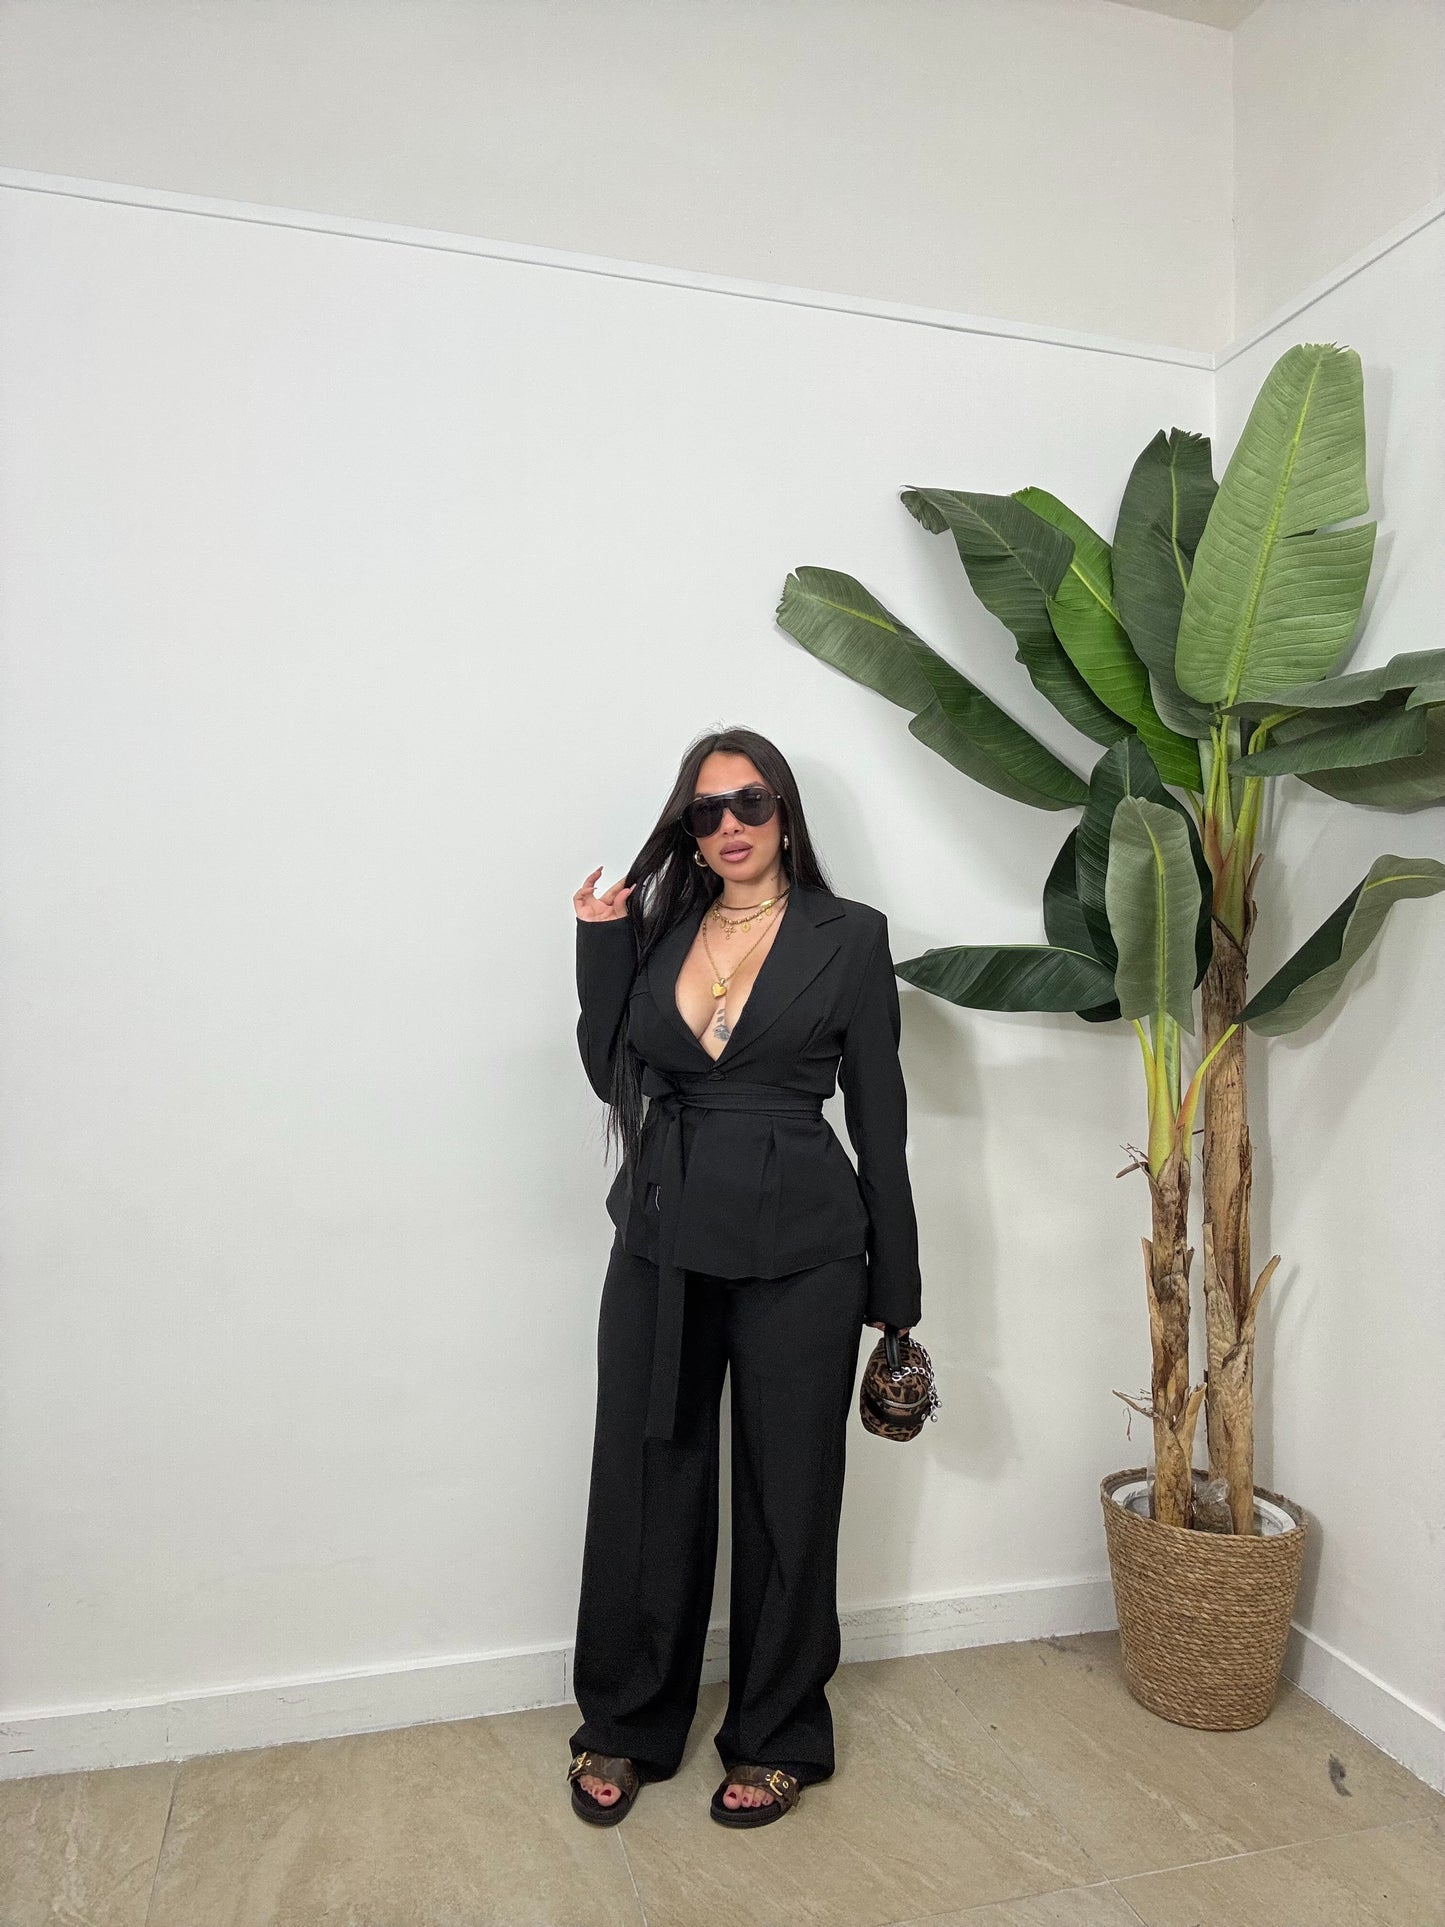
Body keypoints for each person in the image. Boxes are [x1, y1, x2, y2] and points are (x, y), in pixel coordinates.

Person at [566, 726, 922, 1829]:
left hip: (802, 1246)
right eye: (706, 811)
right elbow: (610, 1073)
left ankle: (776, 1732)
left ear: (784, 813)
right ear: (687, 830)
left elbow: (880, 1117)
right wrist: (598, 944)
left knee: (788, 1492)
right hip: (662, 1233)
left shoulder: (848, 935)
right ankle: (628, 1719)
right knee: (646, 1478)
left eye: (750, 803)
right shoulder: (660, 930)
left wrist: (896, 1295)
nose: (729, 825)